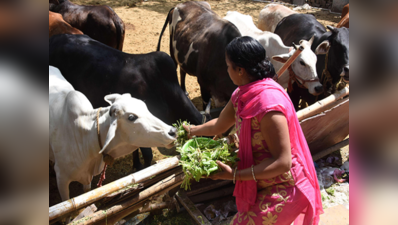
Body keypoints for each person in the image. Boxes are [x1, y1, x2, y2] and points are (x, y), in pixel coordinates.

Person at [183, 36, 323, 225]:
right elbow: (219, 126)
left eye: (228, 66)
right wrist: (192, 131)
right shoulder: (242, 94)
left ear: (240, 70)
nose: (226, 70)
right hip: (262, 182)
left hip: (285, 187)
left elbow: (282, 162)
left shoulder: (268, 105)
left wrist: (234, 175)